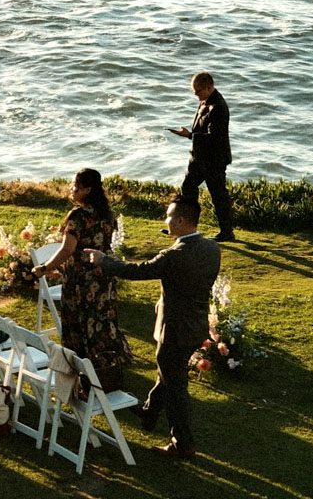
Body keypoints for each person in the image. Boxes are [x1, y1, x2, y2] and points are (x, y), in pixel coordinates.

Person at [85, 195, 221, 459]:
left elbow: (137, 271)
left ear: (181, 220)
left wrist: (104, 260)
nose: (165, 220)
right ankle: (149, 412)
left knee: (175, 386)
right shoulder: (211, 248)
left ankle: (182, 444)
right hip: (196, 325)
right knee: (169, 371)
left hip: (176, 329)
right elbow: (193, 283)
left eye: (169, 216)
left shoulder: (174, 254)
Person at [32, 168, 132, 391]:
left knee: (79, 322)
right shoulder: (107, 213)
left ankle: (82, 370)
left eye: (76, 187)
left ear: (88, 189)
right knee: (101, 319)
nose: (72, 190)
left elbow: (67, 250)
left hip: (81, 280)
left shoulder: (77, 217)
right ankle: (106, 365)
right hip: (103, 275)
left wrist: (45, 268)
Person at [170, 71, 235, 242]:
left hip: (214, 159)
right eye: (194, 92)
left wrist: (190, 135)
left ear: (209, 87)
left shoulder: (218, 107)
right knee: (188, 188)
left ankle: (227, 232)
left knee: (218, 195)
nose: (197, 95)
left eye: (199, 91)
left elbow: (214, 137)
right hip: (199, 158)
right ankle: (189, 227)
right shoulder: (206, 100)